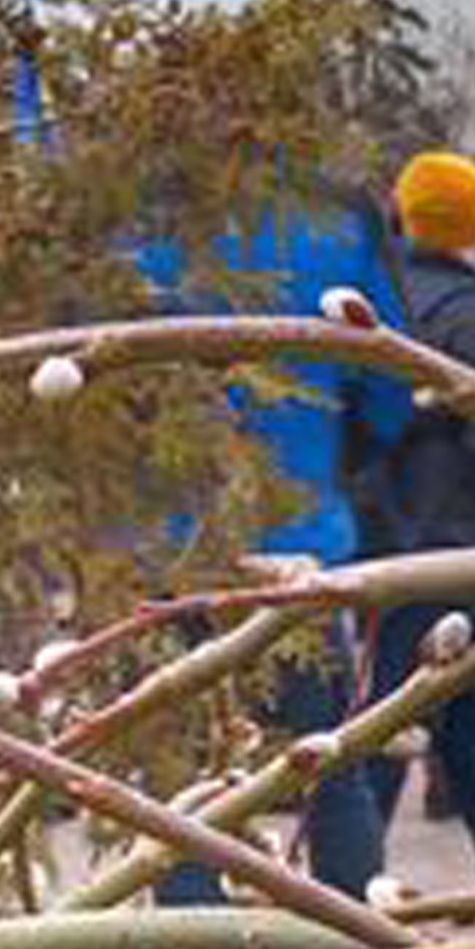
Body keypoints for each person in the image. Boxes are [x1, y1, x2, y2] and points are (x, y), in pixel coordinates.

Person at [142, 179, 409, 900]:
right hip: (300, 528)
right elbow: (390, 381)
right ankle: (355, 941)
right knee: (326, 757)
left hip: (171, 535)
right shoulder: (335, 213)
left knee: (189, 766)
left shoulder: (133, 201)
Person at [367, 153, 475, 884]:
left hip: (396, 530)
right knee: (411, 712)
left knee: (443, 704)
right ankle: (348, 871)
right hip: (462, 537)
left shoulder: (382, 301)